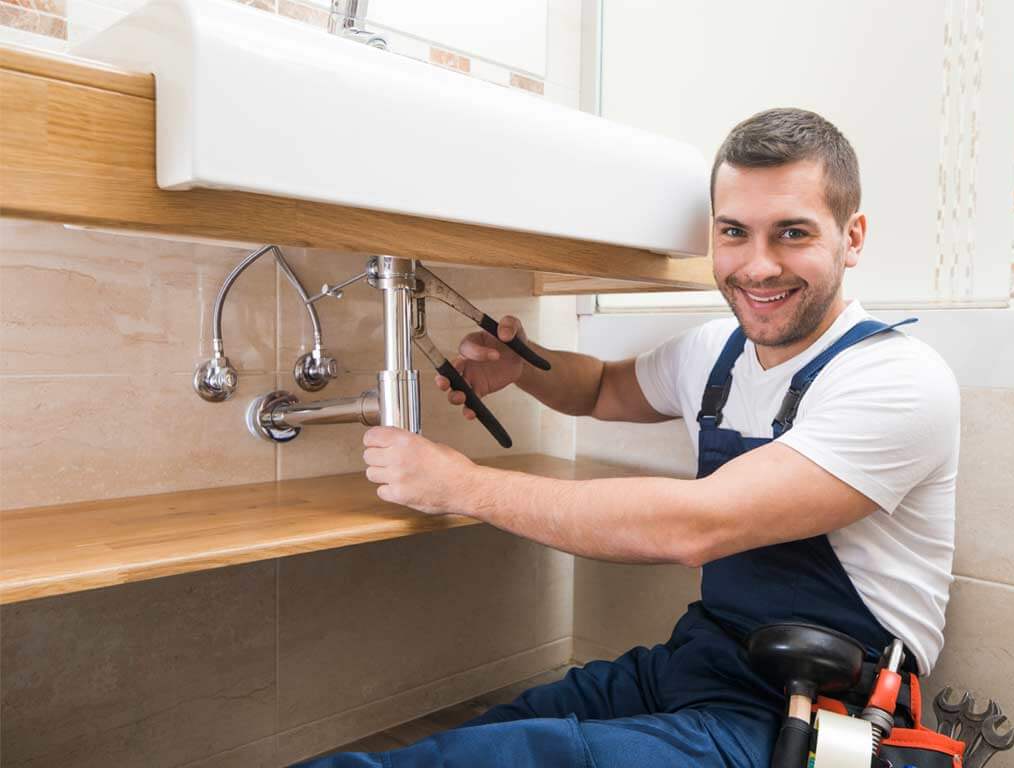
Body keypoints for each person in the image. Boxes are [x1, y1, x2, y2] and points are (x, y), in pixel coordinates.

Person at [296, 108, 960, 768]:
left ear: (853, 238)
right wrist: (523, 367)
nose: (758, 266)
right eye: (735, 232)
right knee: (469, 743)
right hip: (695, 664)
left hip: (813, 716)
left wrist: (460, 486)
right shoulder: (718, 353)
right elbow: (600, 388)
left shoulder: (896, 380)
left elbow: (696, 526)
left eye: (791, 233)